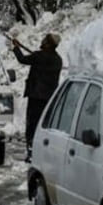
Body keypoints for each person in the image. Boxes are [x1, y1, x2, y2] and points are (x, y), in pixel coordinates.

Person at [12, 33, 62, 163]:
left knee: (32, 126)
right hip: (49, 99)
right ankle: (44, 153)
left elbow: (22, 59)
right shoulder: (58, 60)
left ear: (48, 44)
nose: (42, 41)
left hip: (36, 97)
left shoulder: (38, 56)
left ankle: (32, 152)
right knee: (45, 126)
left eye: (45, 40)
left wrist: (16, 47)